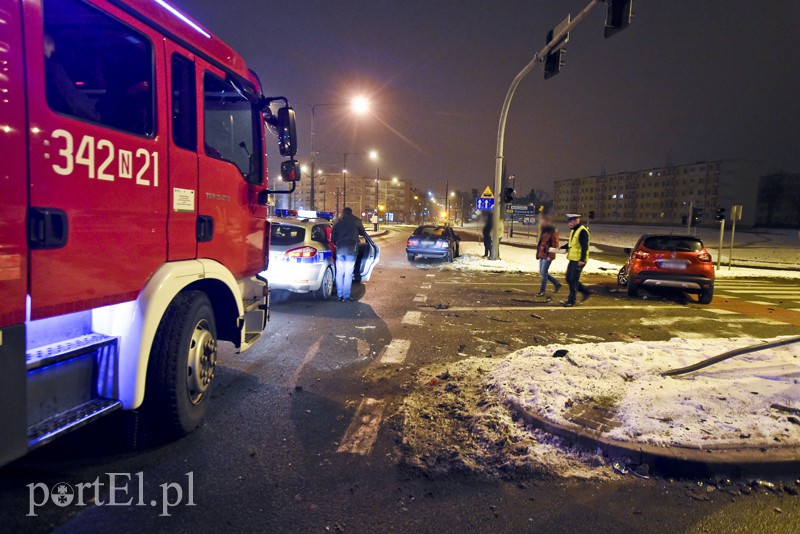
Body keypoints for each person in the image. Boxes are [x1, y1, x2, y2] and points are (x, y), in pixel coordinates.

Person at [43, 33, 101, 122]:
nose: (53, 50)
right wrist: (95, 116)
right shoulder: (52, 69)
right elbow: (71, 98)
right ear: (45, 45)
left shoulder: (35, 69)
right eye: (51, 47)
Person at [331, 207, 367, 301]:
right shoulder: (356, 220)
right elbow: (363, 233)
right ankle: (346, 296)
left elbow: (332, 237)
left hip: (340, 250)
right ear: (351, 212)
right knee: (348, 273)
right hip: (351, 250)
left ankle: (339, 295)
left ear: (343, 212)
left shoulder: (337, 221)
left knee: (339, 273)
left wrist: (337, 243)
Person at [561, 213, 591, 307]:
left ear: (576, 221)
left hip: (579, 260)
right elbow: (571, 244)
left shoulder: (582, 231)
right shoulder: (574, 230)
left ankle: (571, 300)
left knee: (573, 280)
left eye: (571, 222)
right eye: (568, 222)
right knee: (568, 278)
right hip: (573, 259)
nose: (569, 224)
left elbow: (585, 247)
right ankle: (586, 291)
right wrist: (562, 247)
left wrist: (582, 259)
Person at [535, 215, 562, 296]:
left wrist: (551, 256)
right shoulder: (544, 230)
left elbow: (555, 244)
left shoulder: (553, 231)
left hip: (548, 255)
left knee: (543, 272)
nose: (542, 222)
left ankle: (542, 291)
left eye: (543, 221)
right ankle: (556, 283)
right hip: (542, 254)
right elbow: (540, 244)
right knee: (542, 272)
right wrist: (538, 253)